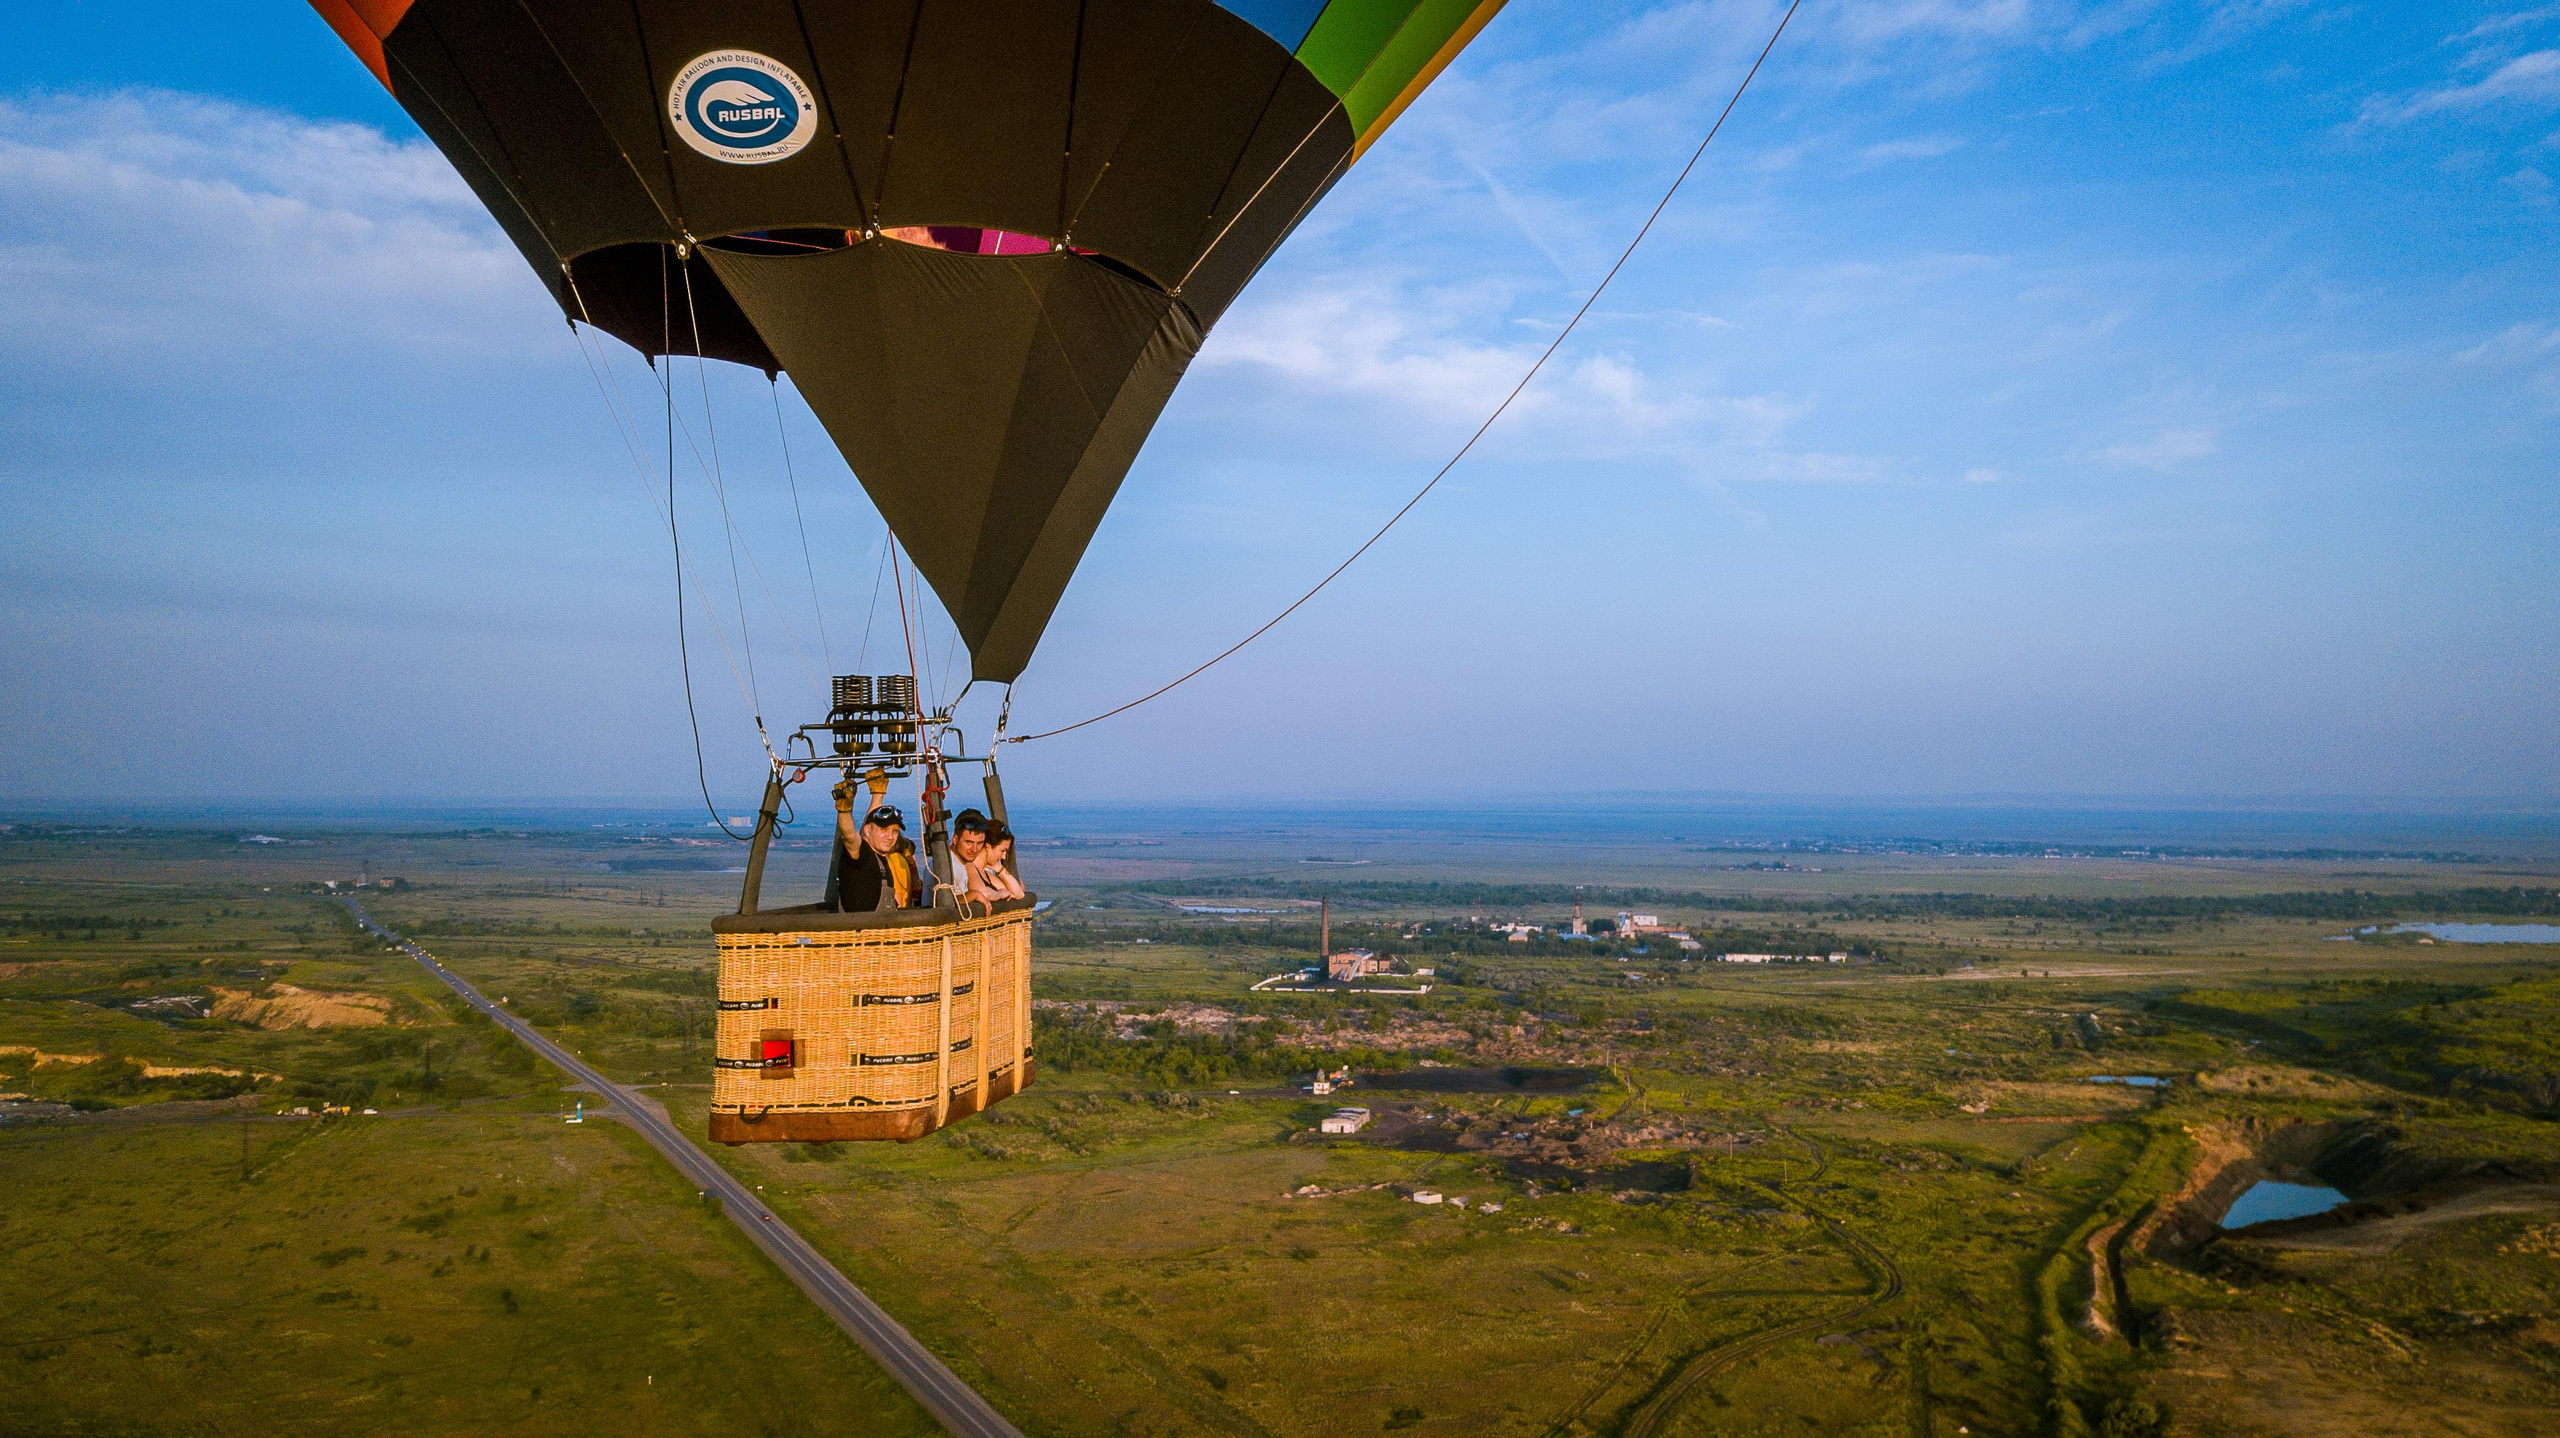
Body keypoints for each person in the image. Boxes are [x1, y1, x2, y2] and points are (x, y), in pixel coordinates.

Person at [835, 797, 932, 912]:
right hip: (861, 929)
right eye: (883, 829)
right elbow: (849, 837)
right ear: (867, 831)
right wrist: (844, 811)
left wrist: (878, 794)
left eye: (895, 831)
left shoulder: (883, 862)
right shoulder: (862, 857)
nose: (890, 837)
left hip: (883, 927)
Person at [948, 809, 993, 914]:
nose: (974, 849)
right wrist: (974, 895)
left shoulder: (961, 863)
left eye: (979, 843)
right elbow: (943, 904)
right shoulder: (948, 866)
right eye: (969, 842)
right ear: (955, 839)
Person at [974, 821, 1027, 904]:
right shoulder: (972, 870)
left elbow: (1018, 894)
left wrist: (998, 867)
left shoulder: (985, 874)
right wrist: (999, 894)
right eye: (1002, 851)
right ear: (988, 847)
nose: (1003, 857)